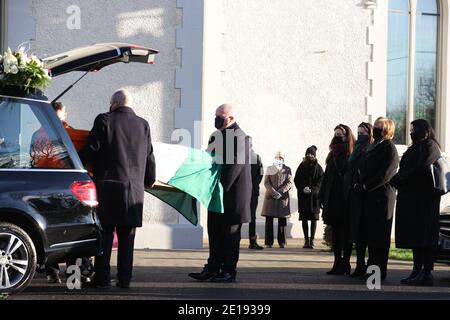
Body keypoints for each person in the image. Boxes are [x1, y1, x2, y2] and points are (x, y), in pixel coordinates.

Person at [79, 89, 156, 289]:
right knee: (127, 238)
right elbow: (149, 157)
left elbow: (92, 148)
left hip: (108, 188)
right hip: (134, 192)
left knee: (105, 236)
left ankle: (102, 277)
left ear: (114, 103)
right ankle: (124, 279)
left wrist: (75, 163)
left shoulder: (104, 120)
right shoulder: (143, 124)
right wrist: (149, 180)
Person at [189, 103, 252, 283]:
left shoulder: (241, 137)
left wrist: (215, 186)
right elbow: (207, 161)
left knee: (230, 237)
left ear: (231, 118)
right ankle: (212, 268)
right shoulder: (216, 136)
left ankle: (228, 271)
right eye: (215, 116)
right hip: (216, 194)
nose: (216, 120)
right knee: (215, 233)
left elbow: (233, 168)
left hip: (232, 197)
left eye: (220, 117)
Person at [391, 119, 442, 286]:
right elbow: (406, 167)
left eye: (414, 129)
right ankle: (416, 269)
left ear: (424, 130)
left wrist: (401, 178)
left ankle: (426, 273)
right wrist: (397, 178)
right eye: (410, 129)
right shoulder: (415, 147)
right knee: (415, 235)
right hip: (412, 199)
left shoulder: (430, 146)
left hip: (425, 200)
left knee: (425, 235)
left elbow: (422, 167)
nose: (411, 132)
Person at [359, 117, 399, 281]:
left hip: (382, 197)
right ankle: (371, 270)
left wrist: (367, 186)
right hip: (370, 196)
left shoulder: (389, 148)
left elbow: (386, 173)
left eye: (380, 127)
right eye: (375, 126)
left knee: (380, 238)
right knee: (371, 236)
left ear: (388, 130)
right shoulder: (373, 146)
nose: (376, 129)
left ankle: (378, 272)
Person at [320, 124, 355, 275]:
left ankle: (345, 263)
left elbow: (345, 172)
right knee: (335, 232)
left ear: (347, 135)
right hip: (332, 198)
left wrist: (338, 155)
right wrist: (321, 196)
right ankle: (337, 263)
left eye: (340, 133)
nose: (337, 135)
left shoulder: (349, 154)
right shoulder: (332, 154)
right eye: (335, 133)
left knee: (345, 233)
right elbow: (326, 177)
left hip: (344, 199)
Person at [344, 122, 373, 278]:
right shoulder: (356, 148)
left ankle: (366, 266)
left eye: (363, 132)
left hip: (364, 195)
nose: (360, 135)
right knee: (357, 233)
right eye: (358, 132)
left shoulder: (370, 148)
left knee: (364, 232)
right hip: (354, 194)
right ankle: (359, 264)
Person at [261, 151, 293, 249]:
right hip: (270, 197)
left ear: (283, 159)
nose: (279, 159)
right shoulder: (270, 168)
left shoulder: (287, 169)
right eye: (277, 157)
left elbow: (289, 183)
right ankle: (268, 242)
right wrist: (274, 192)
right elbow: (266, 182)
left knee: (282, 221)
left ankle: (282, 242)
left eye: (280, 158)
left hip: (282, 198)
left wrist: (281, 192)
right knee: (269, 220)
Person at [294, 146, 324, 249]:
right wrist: (303, 188)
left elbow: (320, 182)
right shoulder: (301, 166)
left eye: (311, 154)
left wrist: (312, 190)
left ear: (314, 156)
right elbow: (296, 179)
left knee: (314, 219)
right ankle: (306, 240)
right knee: (304, 219)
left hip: (314, 198)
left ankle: (312, 240)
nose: (309, 156)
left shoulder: (319, 168)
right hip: (303, 197)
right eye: (308, 154)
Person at [249, 144, 264, 250]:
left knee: (239, 216)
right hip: (253, 191)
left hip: (245, 191)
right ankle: (252, 241)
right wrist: (254, 184)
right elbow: (261, 173)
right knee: (252, 216)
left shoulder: (240, 156)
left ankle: (234, 240)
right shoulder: (257, 157)